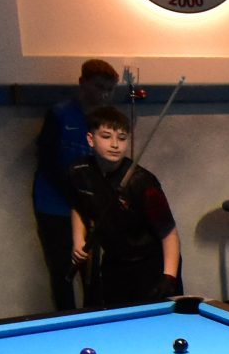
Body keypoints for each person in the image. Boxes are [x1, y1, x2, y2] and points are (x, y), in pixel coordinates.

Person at [65, 106, 179, 309]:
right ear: (90, 139)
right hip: (114, 261)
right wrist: (78, 239)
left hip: (150, 264)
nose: (115, 144)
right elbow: (78, 205)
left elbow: (168, 233)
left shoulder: (142, 182)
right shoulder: (79, 171)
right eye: (106, 136)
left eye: (122, 138)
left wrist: (169, 277)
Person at [32, 58, 119, 311]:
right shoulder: (60, 114)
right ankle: (66, 320)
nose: (104, 94)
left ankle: (95, 320)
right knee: (62, 270)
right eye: (99, 87)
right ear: (82, 83)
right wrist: (75, 195)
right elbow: (47, 161)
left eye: (109, 89)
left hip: (89, 206)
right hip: (53, 205)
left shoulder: (106, 121)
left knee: (92, 272)